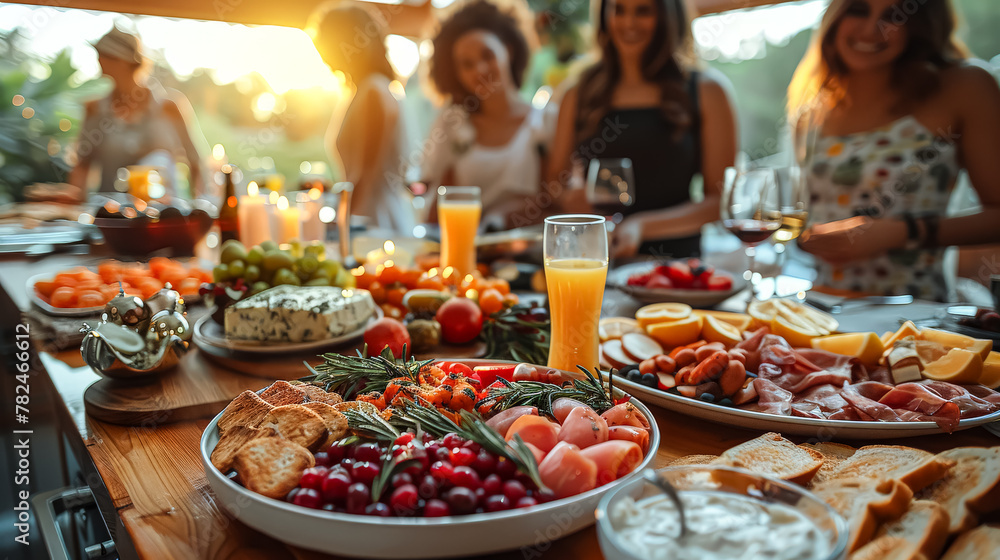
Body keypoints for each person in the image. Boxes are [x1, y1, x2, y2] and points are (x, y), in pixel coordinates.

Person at [790, 0, 1000, 301]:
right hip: (824, 308)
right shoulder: (815, 108)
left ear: (921, 22)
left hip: (916, 314)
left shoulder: (965, 85)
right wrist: (807, 240)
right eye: (858, 9)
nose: (871, 29)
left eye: (893, 15)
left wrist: (901, 233)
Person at [545, 0, 737, 258]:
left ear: (667, 16)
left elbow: (719, 202)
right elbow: (553, 183)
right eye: (618, 9)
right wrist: (570, 197)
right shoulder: (576, 92)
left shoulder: (707, 91)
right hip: (594, 260)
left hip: (676, 269)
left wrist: (641, 226)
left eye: (643, 11)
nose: (629, 23)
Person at [420, 0, 552, 230]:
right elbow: (435, 204)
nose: (480, 70)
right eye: (467, 64)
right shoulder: (452, 124)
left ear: (508, 51)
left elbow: (553, 201)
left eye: (487, 55)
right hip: (469, 252)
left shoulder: (546, 121)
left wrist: (500, 218)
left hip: (531, 254)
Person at [68, 25, 207, 199]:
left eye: (103, 55)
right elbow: (82, 166)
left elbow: (196, 163)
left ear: (121, 60)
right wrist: (73, 203)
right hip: (111, 217)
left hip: (162, 218)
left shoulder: (169, 108)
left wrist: (198, 209)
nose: (98, 59)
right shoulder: (95, 109)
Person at [311, 4, 415, 234]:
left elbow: (365, 174)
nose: (323, 55)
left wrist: (343, 224)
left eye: (325, 44)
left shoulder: (373, 92)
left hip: (375, 223)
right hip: (369, 217)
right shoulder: (365, 91)